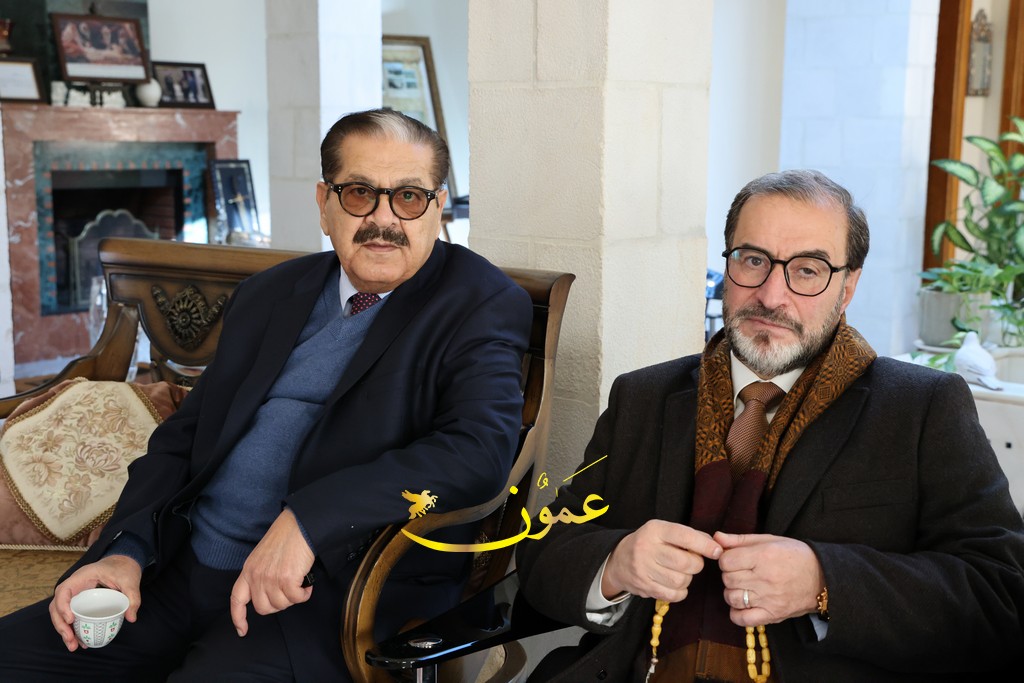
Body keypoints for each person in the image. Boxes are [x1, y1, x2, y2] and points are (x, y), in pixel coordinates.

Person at [0, 108, 533, 682]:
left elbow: (477, 452)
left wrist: (310, 520)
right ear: (324, 204)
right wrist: (124, 550)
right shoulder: (270, 292)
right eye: (360, 193)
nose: (384, 219)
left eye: (408, 196)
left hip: (322, 596)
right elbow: (185, 436)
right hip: (176, 571)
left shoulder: (479, 302)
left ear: (438, 206)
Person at [517, 169, 1024, 682]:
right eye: (753, 260)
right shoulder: (642, 397)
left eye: (807, 270)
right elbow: (543, 553)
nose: (772, 295)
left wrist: (824, 583)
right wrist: (615, 563)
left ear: (848, 286)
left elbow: (1002, 594)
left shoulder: (921, 408)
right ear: (728, 263)